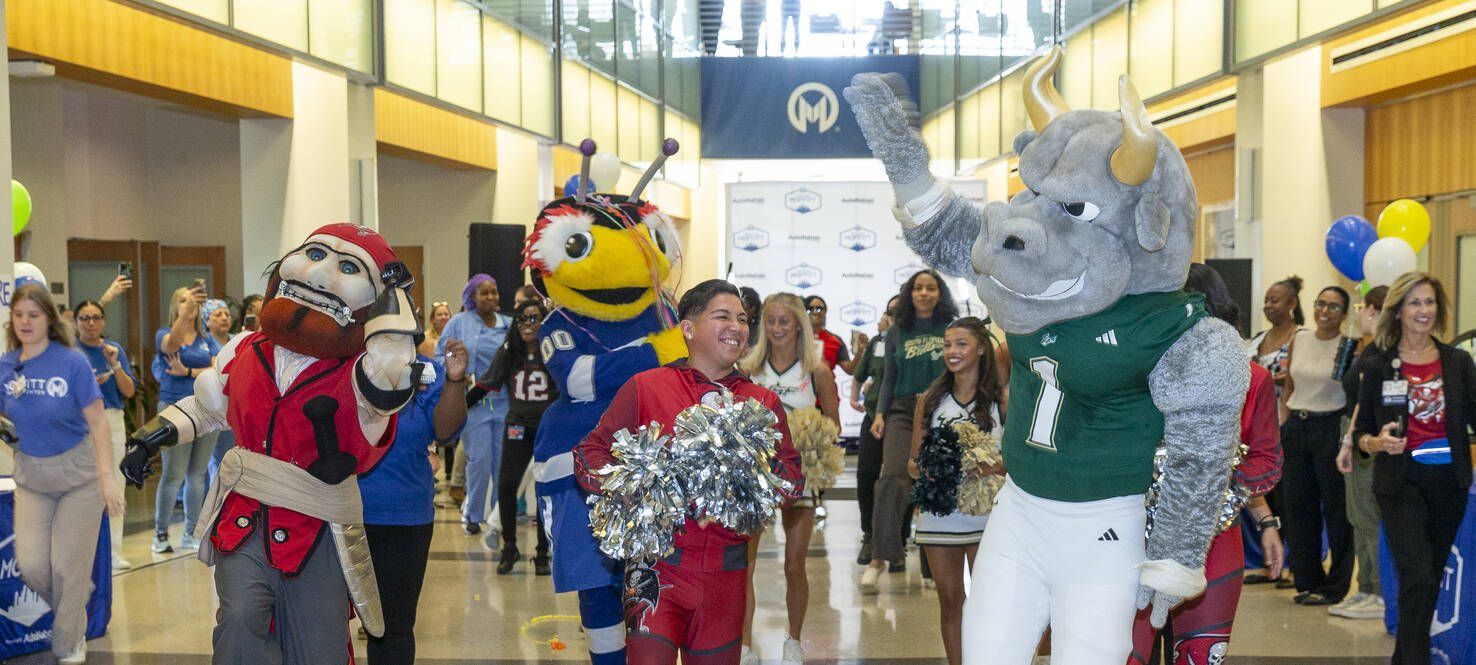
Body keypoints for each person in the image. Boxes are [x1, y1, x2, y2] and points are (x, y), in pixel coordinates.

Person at [575, 279, 804, 665]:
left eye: (744, 319)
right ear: (688, 328)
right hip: (656, 570)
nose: (738, 326)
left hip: (725, 579)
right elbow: (589, 452)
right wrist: (630, 487)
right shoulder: (646, 386)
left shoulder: (762, 402)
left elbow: (792, 481)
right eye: (723, 316)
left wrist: (749, 477)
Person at [1127, 263, 1285, 665]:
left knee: (1199, 657)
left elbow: (1266, 458)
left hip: (1213, 542)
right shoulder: (1134, 374)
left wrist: (1218, 491)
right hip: (1130, 539)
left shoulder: (1252, 379)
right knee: (1125, 654)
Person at [0, 283, 126, 664]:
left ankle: (68, 642)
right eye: (19, 315)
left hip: (79, 475)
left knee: (66, 564)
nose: (25, 321)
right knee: (33, 565)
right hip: (32, 476)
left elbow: (98, 423)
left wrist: (107, 479)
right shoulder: (6, 366)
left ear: (48, 320)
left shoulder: (71, 363)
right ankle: (75, 594)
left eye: (33, 315)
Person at [1352, 272, 1473, 665]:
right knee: (1417, 576)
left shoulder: (1457, 362)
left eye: (1430, 302)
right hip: (1401, 482)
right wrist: (1378, 442)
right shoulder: (1380, 364)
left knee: (1428, 580)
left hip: (1449, 482)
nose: (1424, 310)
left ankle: (1404, 658)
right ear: (1399, 311)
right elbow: (1361, 436)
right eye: (1415, 303)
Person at [738, 292, 840, 665]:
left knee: (794, 564)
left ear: (799, 324)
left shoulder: (817, 371)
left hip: (799, 476)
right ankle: (746, 645)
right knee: (745, 565)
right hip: (755, 477)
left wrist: (806, 434)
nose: (777, 328)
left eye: (785, 321)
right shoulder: (749, 369)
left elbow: (833, 426)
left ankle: (794, 641)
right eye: (770, 321)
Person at [358, 339, 469, 665]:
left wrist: (454, 379)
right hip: (341, 513)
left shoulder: (426, 370)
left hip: (404, 516)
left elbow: (446, 431)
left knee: (393, 626)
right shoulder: (347, 363)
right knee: (325, 620)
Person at [906, 316, 1005, 665]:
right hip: (941, 514)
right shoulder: (930, 399)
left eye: (961, 344)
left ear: (981, 348)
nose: (952, 351)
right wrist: (937, 467)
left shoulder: (1001, 400)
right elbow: (912, 464)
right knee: (950, 600)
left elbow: (1014, 460)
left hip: (987, 514)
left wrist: (990, 466)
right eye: (948, 344)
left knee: (987, 599)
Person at [862, 269, 958, 591]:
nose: (924, 293)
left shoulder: (949, 328)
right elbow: (888, 378)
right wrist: (879, 414)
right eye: (918, 288)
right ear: (910, 294)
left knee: (935, 480)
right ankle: (879, 557)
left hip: (939, 407)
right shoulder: (897, 331)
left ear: (939, 294)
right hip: (901, 410)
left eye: (931, 288)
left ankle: (932, 568)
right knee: (891, 477)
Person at [469, 299, 556, 575]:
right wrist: (458, 409)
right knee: (506, 485)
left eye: (534, 318)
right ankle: (510, 547)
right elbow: (484, 384)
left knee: (544, 490)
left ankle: (543, 552)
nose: (527, 324)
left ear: (544, 321)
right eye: (522, 318)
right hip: (517, 425)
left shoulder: (554, 350)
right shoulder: (509, 351)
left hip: (548, 427)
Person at [1280, 285, 1353, 606]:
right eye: (1321, 303)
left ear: (1344, 314)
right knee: (1298, 508)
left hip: (1330, 429)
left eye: (1334, 306)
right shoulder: (1300, 338)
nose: (1325, 310)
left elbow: (1352, 394)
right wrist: (1284, 420)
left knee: (1336, 511)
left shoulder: (1349, 347)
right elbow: (1290, 385)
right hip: (1297, 426)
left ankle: (1335, 587)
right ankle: (1308, 580)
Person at [437, 274, 511, 535]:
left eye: (494, 292)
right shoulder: (459, 323)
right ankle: (473, 515)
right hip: (474, 404)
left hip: (505, 404)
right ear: (472, 297)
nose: (491, 297)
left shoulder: (509, 324)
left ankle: (496, 517)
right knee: (478, 461)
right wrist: (455, 369)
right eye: (484, 293)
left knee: (501, 463)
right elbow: (440, 353)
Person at [1331, 285, 1389, 620]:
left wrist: (1350, 441)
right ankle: (1365, 586)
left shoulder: (1382, 353)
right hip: (1351, 433)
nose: (1361, 314)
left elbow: (1365, 405)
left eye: (1367, 308)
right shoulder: (1366, 350)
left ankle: (1379, 591)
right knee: (1357, 516)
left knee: (1369, 517)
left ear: (1379, 311)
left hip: (1364, 438)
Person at [151, 284, 221, 554]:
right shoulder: (164, 334)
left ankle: (192, 533)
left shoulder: (207, 339)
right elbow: (172, 343)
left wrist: (190, 371)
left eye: (191, 301)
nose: (189, 305)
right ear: (175, 307)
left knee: (197, 473)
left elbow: (218, 367)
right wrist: (187, 310)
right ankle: (160, 534)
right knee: (173, 473)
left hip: (205, 408)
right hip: (174, 409)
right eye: (182, 301)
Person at [1243, 275, 1303, 586]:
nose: (1268, 306)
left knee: (1288, 501)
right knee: (1261, 494)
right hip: (1258, 433)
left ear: (1292, 304)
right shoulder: (1256, 340)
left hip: (1289, 427)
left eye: (1275, 300)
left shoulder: (1301, 337)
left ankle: (1292, 564)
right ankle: (1266, 563)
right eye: (1266, 299)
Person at [73, 299, 138, 571]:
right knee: (81, 488)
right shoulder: (69, 352)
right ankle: (82, 553)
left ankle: (114, 552)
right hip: (78, 422)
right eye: (85, 318)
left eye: (96, 317)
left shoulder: (114, 349)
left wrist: (115, 366)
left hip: (111, 418)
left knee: (114, 484)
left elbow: (129, 391)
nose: (91, 323)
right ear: (76, 322)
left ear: (103, 321)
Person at [852, 295, 897, 564]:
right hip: (874, 417)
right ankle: (869, 535)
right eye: (888, 312)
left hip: (904, 417)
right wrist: (854, 398)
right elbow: (860, 373)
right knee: (866, 474)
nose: (891, 317)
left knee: (899, 478)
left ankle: (898, 540)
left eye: (896, 312)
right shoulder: (877, 342)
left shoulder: (912, 343)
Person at [805, 295, 861, 375]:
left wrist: (859, 352)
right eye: (809, 309)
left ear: (825, 312)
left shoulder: (835, 340)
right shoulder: (795, 337)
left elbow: (850, 370)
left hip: (826, 386)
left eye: (819, 309)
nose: (815, 312)